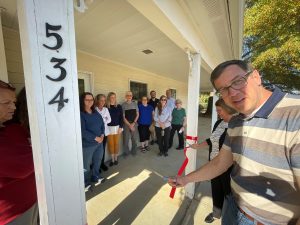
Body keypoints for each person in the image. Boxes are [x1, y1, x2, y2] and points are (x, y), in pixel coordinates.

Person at [168, 60, 300, 225]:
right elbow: (220, 163)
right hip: (233, 209)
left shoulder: (295, 115)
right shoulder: (236, 121)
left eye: (238, 81)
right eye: (223, 90)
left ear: (256, 77)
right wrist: (186, 179)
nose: (232, 93)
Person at [191, 98, 236, 223]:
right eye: (217, 110)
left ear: (228, 109)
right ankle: (216, 213)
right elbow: (212, 140)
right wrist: (198, 146)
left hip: (228, 169)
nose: (218, 113)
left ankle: (229, 217)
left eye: (220, 110)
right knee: (216, 189)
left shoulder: (236, 125)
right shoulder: (219, 123)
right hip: (213, 165)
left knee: (228, 194)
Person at [0, 81, 38, 225]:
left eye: (14, 102)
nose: (14, 107)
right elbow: (26, 166)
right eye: (6, 102)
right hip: (11, 213)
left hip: (30, 201)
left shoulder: (13, 128)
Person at [80, 92, 105, 189]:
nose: (90, 102)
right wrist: (96, 138)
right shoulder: (81, 114)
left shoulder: (95, 112)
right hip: (88, 144)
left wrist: (102, 134)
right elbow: (82, 131)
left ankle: (95, 176)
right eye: (87, 100)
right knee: (85, 164)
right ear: (83, 101)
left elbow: (102, 123)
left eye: (91, 99)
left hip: (99, 142)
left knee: (97, 160)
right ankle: (85, 182)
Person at [95, 94, 111, 172]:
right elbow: (94, 121)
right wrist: (104, 119)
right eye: (101, 100)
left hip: (104, 132)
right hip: (96, 133)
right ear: (97, 100)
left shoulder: (106, 109)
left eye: (104, 100)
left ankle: (102, 164)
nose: (103, 102)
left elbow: (109, 120)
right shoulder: (94, 109)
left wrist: (103, 120)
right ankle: (96, 166)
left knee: (102, 149)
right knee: (96, 150)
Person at [106, 92, 123, 166]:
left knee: (116, 143)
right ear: (109, 98)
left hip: (117, 128)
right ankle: (112, 159)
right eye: (111, 97)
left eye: (114, 97)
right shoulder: (106, 107)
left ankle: (116, 158)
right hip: (109, 128)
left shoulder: (118, 106)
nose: (113, 98)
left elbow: (121, 117)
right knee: (110, 144)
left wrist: (121, 127)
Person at [122, 91, 139, 157]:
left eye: (130, 95)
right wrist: (129, 125)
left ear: (132, 96)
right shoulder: (123, 105)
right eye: (128, 95)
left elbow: (137, 114)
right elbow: (123, 117)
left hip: (134, 123)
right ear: (126, 96)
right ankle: (126, 152)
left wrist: (133, 123)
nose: (129, 96)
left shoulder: (135, 104)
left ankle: (134, 151)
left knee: (134, 139)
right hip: (126, 124)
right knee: (126, 140)